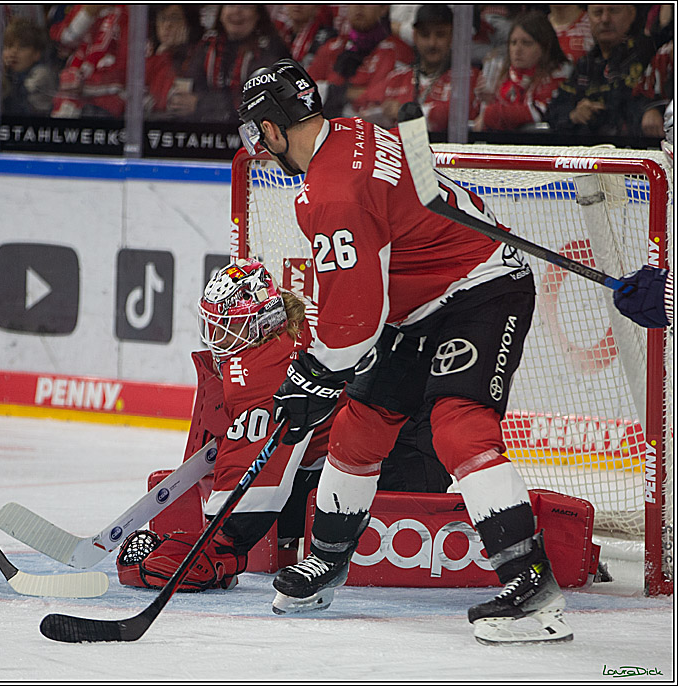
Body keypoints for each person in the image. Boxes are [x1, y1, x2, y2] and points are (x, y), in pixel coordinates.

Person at [236, 59, 573, 644]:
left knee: (458, 427)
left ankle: (532, 587)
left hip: (482, 289)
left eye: (256, 132)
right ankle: (326, 563)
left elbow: (351, 323)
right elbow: (363, 303)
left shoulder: (332, 192)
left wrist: (314, 374)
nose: (260, 148)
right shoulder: (348, 131)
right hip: (419, 305)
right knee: (358, 427)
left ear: (270, 128)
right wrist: (321, 376)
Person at [116, 259, 451, 592]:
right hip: (393, 446)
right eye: (214, 327)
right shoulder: (292, 330)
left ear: (261, 323)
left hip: (405, 462)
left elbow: (256, 475)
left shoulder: (264, 369)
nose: (217, 339)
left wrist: (221, 546)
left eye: (228, 328)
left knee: (282, 513)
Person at [358, 4, 479, 133]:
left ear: (452, 37)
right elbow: (361, 109)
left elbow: (459, 115)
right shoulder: (396, 78)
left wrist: (404, 114)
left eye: (440, 35)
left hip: (444, 150)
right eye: (425, 35)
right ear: (415, 36)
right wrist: (380, 113)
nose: (432, 43)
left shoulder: (467, 77)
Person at [546, 4, 656, 136]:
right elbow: (554, 110)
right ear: (589, 18)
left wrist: (653, 109)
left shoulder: (649, 53)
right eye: (598, 13)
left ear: (631, 14)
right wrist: (574, 114)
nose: (605, 19)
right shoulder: (585, 63)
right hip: (590, 149)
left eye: (613, 10)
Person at [171, 5, 290, 123]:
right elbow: (187, 89)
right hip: (206, 132)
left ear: (258, 15)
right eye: (230, 4)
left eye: (245, 6)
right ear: (221, 14)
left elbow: (256, 103)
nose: (236, 11)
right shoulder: (206, 48)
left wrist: (200, 103)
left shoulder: (270, 52)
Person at [307, 4, 414, 119]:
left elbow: (382, 98)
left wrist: (338, 92)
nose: (359, 6)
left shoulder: (398, 51)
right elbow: (308, 92)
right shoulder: (331, 48)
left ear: (383, 8)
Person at [473, 12, 570, 132]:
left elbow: (539, 112)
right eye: (513, 43)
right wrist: (488, 100)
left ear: (545, 46)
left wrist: (490, 113)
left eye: (526, 43)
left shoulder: (559, 74)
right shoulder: (504, 75)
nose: (517, 50)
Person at [144, 4, 203, 120]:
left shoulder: (199, 56)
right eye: (162, 18)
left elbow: (169, 101)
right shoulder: (152, 56)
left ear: (188, 23)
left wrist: (180, 51)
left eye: (174, 18)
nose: (167, 25)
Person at [1, 17, 57, 116]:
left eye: (22, 47)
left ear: (36, 54)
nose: (13, 52)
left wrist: (4, 77)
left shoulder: (42, 74)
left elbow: (18, 106)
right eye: (9, 46)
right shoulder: (5, 73)